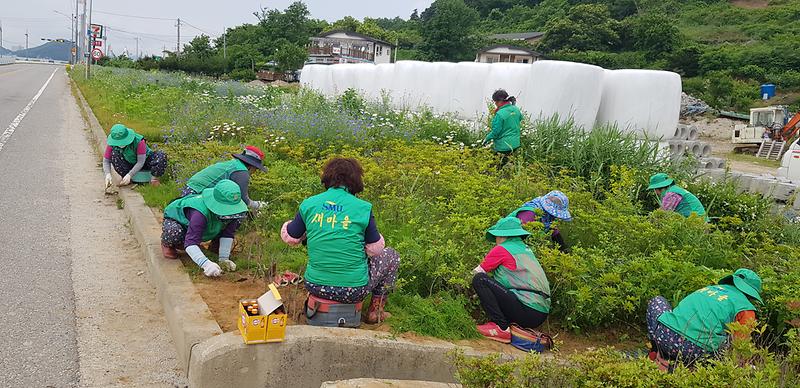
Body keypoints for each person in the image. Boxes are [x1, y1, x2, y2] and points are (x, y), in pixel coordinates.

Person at [280, 158, 400, 324]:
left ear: (327, 178)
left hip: (315, 286)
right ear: (356, 181)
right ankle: (376, 310)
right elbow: (375, 249)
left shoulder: (309, 204)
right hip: (353, 290)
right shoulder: (363, 208)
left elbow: (291, 237)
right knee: (391, 255)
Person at [646, 268, 762, 369]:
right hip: (695, 351)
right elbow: (740, 346)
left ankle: (656, 352)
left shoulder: (710, 289)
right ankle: (690, 367)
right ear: (751, 294)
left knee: (658, 300)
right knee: (731, 338)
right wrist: (744, 365)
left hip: (664, 336)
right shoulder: (746, 308)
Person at [472, 217, 550, 343]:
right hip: (540, 313)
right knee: (491, 282)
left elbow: (478, 271)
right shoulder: (526, 250)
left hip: (526, 309)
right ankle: (505, 325)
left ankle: (501, 327)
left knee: (480, 279)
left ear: (501, 236)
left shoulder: (502, 249)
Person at [160, 179, 247, 277]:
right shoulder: (199, 214)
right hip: (179, 222)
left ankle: (210, 246)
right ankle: (168, 244)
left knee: (236, 220)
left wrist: (224, 259)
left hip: (204, 224)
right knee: (174, 232)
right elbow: (191, 243)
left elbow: (228, 234)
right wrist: (206, 264)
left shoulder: (232, 214)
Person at [181, 146, 268, 211]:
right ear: (252, 166)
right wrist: (259, 205)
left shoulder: (234, 164)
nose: (255, 171)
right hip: (197, 193)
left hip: (189, 189)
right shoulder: (242, 172)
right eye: (256, 168)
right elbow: (243, 200)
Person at [507, 191, 572, 252]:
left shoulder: (547, 215)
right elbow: (523, 236)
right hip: (510, 241)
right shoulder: (529, 213)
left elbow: (553, 231)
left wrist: (563, 250)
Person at [483, 89, 522, 167]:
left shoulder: (500, 114)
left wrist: (486, 139)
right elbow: (519, 118)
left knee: (496, 167)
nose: (495, 104)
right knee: (509, 164)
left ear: (500, 101)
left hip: (503, 146)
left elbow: (495, 132)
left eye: (495, 102)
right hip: (515, 144)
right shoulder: (516, 109)